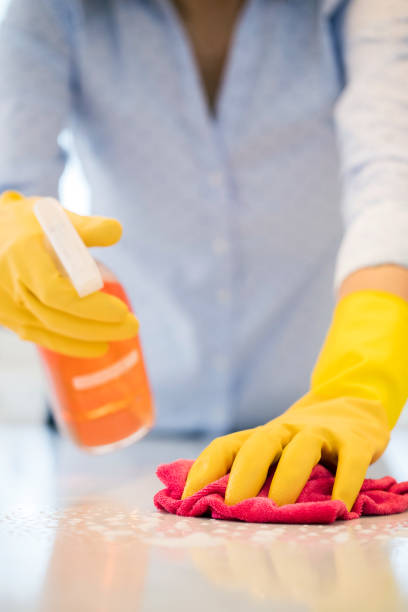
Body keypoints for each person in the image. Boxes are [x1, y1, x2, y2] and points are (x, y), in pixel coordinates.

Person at [1, 0, 408, 511]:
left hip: (322, 443)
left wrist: (356, 384)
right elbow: (12, 180)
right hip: (112, 437)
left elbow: (390, 188)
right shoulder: (55, 11)